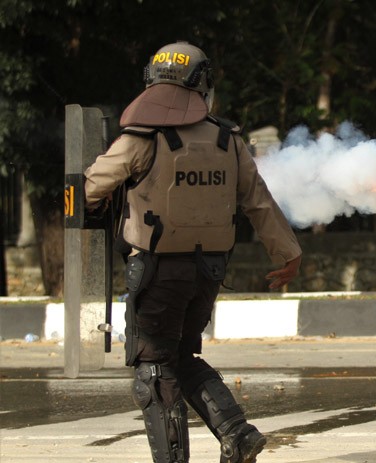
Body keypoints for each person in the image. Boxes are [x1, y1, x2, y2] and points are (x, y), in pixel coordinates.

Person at [84, 41, 302, 463]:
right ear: (203, 85)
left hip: (156, 272)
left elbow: (89, 189)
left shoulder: (141, 138)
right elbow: (259, 201)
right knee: (182, 356)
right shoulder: (228, 139)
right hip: (208, 271)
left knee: (154, 369)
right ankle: (236, 434)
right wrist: (288, 254)